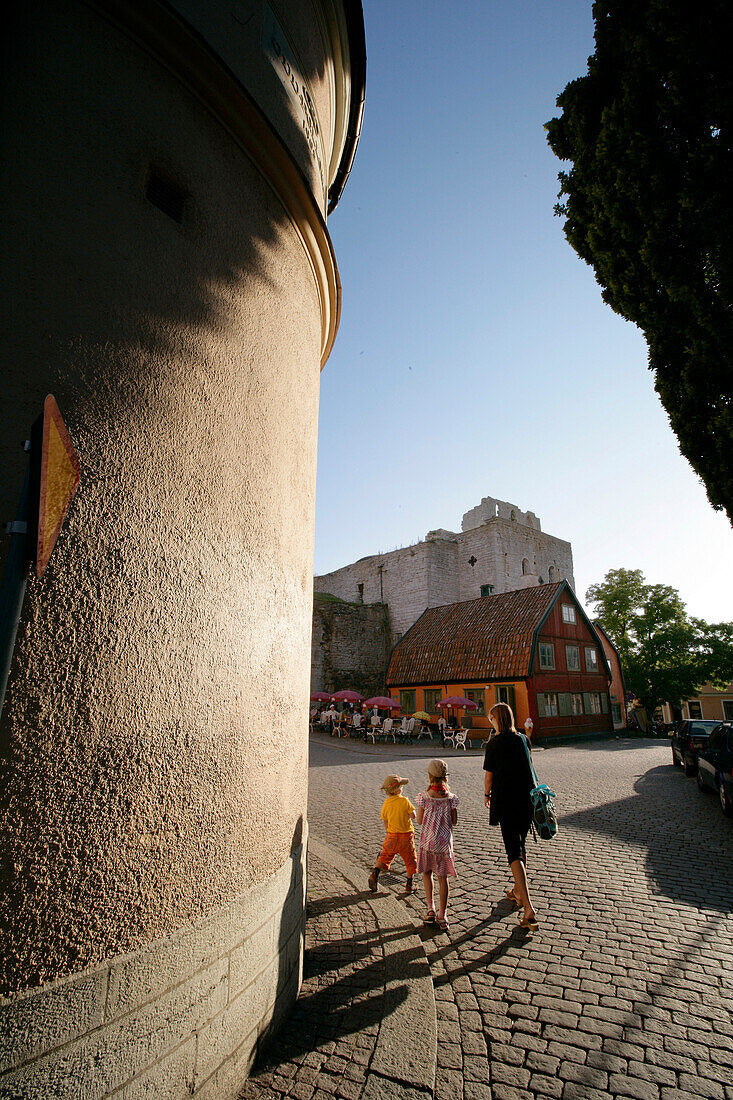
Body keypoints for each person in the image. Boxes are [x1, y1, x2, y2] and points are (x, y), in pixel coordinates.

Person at [483, 702, 538, 930]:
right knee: (521, 844)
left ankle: (528, 907)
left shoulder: (494, 743)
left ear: (497, 719)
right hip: (527, 800)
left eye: (492, 719)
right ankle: (517, 891)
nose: (491, 722)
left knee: (513, 851)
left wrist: (486, 794)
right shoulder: (524, 740)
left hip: (506, 801)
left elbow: (489, 776)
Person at [416, 759, 459, 931]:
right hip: (443, 845)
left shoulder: (424, 798)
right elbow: (454, 821)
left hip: (427, 843)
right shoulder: (450, 798)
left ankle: (430, 908)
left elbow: (419, 821)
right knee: (443, 878)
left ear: (430, 776)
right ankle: (443, 914)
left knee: (427, 873)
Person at [368, 776, 416, 894]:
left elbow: (385, 820)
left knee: (385, 855)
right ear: (398, 790)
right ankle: (409, 884)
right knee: (410, 859)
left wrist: (389, 831)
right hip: (406, 836)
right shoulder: (405, 801)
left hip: (392, 836)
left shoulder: (387, 803)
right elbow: (413, 815)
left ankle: (375, 873)